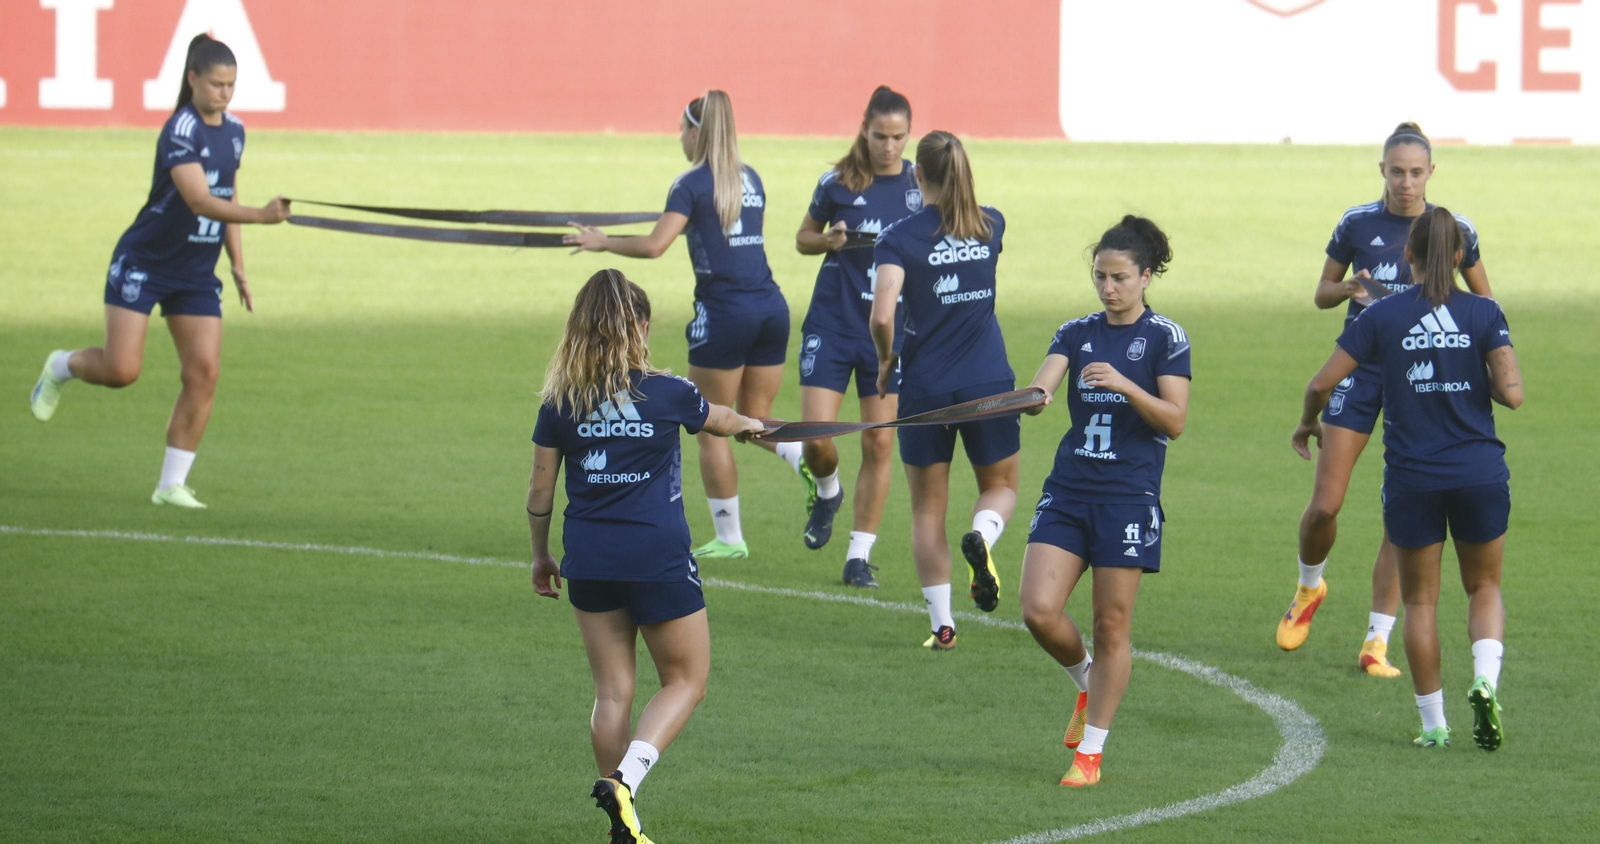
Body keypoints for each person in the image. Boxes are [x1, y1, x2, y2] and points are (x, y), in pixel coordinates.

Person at [528, 269, 765, 844]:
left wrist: (541, 556)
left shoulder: (561, 401)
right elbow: (721, 419)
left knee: (612, 693)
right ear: (637, 326)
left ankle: (621, 824)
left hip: (587, 557)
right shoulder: (668, 391)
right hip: (656, 557)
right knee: (686, 680)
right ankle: (626, 783)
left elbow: (540, 492)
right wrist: (753, 425)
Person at [1292, 208, 1521, 750]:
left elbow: (1321, 384)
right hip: (1479, 472)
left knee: (1421, 602)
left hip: (1414, 477)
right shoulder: (1486, 313)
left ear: (1407, 255)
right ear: (1462, 258)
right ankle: (1485, 678)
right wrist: (1466, 368)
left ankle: (1433, 725)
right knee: (1484, 586)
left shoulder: (1382, 317)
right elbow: (1512, 393)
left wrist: (1307, 423)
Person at [28, 34, 289, 508]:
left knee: (204, 372)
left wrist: (239, 264)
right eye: (216, 84)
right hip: (146, 262)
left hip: (195, 271)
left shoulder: (235, 131)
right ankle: (60, 365)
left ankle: (171, 485)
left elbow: (225, 194)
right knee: (121, 370)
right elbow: (198, 199)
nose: (225, 93)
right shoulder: (180, 131)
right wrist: (264, 216)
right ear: (193, 79)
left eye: (231, 85)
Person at [1277, 122, 1492, 677]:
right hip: (1361, 367)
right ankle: (1307, 588)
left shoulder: (1452, 229)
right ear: (1382, 170)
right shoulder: (1357, 223)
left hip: (1419, 375)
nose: (1406, 182)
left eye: (1416, 172)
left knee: (1408, 511)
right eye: (1396, 171)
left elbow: (1485, 306)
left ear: (1431, 173)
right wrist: (1351, 288)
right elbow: (1322, 293)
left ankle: (1377, 639)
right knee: (1326, 502)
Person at [565, 90, 806, 561]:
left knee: (710, 420)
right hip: (772, 309)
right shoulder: (748, 178)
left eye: (682, 129)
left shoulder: (691, 183)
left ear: (696, 131)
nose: (679, 137)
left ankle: (730, 538)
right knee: (757, 414)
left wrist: (602, 242)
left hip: (725, 314)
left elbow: (657, 245)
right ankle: (813, 465)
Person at [1018, 216, 1190, 787]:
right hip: (1069, 489)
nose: (1108, 288)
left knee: (1111, 622)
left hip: (1127, 496)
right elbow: (1046, 381)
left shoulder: (1166, 337)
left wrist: (1126, 385)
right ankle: (1088, 684)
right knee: (1038, 610)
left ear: (1145, 276)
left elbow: (1175, 420)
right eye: (1100, 276)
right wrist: (1033, 396)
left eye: (1119, 277)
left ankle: (1089, 754)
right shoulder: (1075, 330)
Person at [869, 130, 1015, 650]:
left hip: (926, 387)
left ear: (917, 175)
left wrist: (887, 363)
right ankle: (984, 536)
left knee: (927, 508)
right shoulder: (991, 224)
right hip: (988, 381)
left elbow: (882, 314)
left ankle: (943, 625)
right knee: (1000, 485)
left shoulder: (900, 237)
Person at [793, 85, 919, 588]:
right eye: (880, 136)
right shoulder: (838, 182)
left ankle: (858, 557)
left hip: (889, 331)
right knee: (816, 438)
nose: (889, 147)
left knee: (879, 445)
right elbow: (803, 237)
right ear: (864, 128)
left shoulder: (921, 185)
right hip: (833, 322)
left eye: (898, 137)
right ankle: (827, 490)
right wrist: (828, 241)